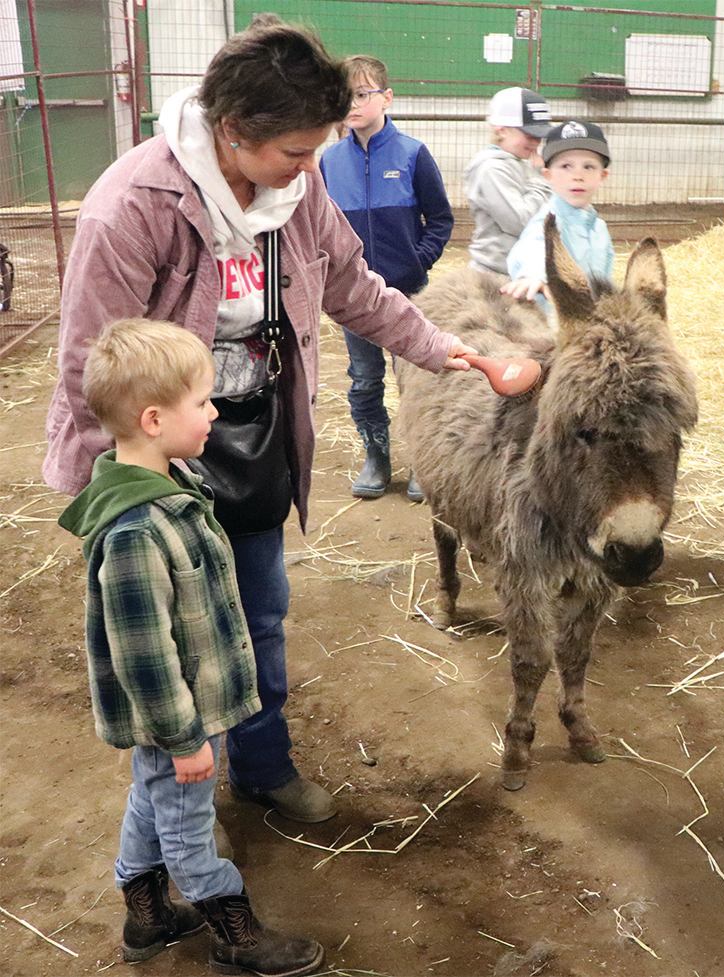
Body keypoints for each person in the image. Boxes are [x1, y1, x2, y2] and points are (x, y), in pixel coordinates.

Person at [43, 17, 475, 827]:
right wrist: (136, 487)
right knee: (172, 629)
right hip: (153, 452)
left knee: (260, 609)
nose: (310, 169)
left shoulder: (293, 195)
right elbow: (87, 365)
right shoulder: (135, 205)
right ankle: (177, 817)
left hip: (250, 432)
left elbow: (355, 286)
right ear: (233, 131)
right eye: (297, 152)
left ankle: (263, 766)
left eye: (317, 149)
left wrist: (441, 349)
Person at [57, 319, 324, 976]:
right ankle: (234, 930)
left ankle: (145, 918)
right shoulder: (133, 530)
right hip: (177, 719)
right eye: (203, 403)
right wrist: (184, 739)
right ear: (153, 419)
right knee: (184, 823)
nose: (215, 414)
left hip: (181, 716)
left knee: (151, 799)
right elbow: (145, 656)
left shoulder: (169, 486)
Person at [320, 54, 454, 503]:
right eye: (345, 96)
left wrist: (418, 262)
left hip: (407, 292)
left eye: (362, 94)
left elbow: (440, 219)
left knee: (415, 378)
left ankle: (421, 461)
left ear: (386, 97)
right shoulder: (328, 162)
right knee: (364, 379)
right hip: (355, 297)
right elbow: (320, 227)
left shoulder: (413, 154)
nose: (352, 104)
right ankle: (377, 458)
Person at [503, 120, 612, 304]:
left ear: (602, 176)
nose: (578, 176)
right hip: (553, 324)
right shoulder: (548, 222)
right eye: (566, 166)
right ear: (548, 175)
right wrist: (534, 275)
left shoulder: (599, 228)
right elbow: (535, 247)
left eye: (588, 167)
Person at [465, 87, 555, 275]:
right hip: (495, 276)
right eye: (529, 135)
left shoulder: (522, 162)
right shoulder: (491, 169)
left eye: (539, 136)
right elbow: (519, 223)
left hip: (521, 272)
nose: (536, 142)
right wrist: (542, 181)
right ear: (502, 130)